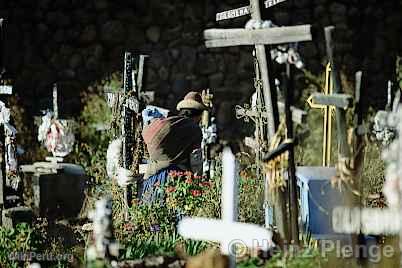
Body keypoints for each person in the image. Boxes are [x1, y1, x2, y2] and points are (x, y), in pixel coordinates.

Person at [139, 91, 207, 203]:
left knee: (151, 213)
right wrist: (197, 182)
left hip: (153, 179)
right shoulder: (194, 129)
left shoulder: (172, 123)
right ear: (198, 115)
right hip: (175, 179)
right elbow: (196, 159)